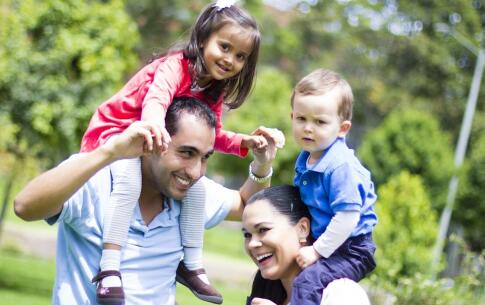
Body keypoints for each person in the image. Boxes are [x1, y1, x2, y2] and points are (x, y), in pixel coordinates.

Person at [78, 0, 276, 303]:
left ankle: (192, 265)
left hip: (148, 140)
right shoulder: (175, 66)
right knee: (130, 179)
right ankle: (109, 268)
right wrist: (155, 126)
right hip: (115, 135)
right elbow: (156, 102)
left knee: (195, 184)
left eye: (240, 56)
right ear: (202, 38)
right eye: (224, 47)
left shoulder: (212, 88)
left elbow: (213, 134)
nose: (230, 60)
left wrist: (242, 143)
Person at [14, 97, 280, 305]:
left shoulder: (192, 196)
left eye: (205, 157)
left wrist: (262, 165)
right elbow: (25, 206)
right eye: (186, 153)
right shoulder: (98, 180)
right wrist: (110, 151)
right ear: (151, 141)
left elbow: (248, 206)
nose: (196, 170)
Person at [290, 68, 378, 305]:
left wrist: (316, 251)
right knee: (281, 263)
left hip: (351, 249)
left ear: (342, 128)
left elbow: (347, 217)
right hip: (327, 240)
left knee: (307, 282)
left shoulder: (340, 166)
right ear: (292, 117)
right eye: (301, 119)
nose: (308, 128)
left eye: (319, 121)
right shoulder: (307, 157)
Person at [242, 185, 372, 305]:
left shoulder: (342, 293)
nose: (252, 244)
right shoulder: (264, 294)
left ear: (302, 229)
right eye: (247, 235)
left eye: (263, 230)